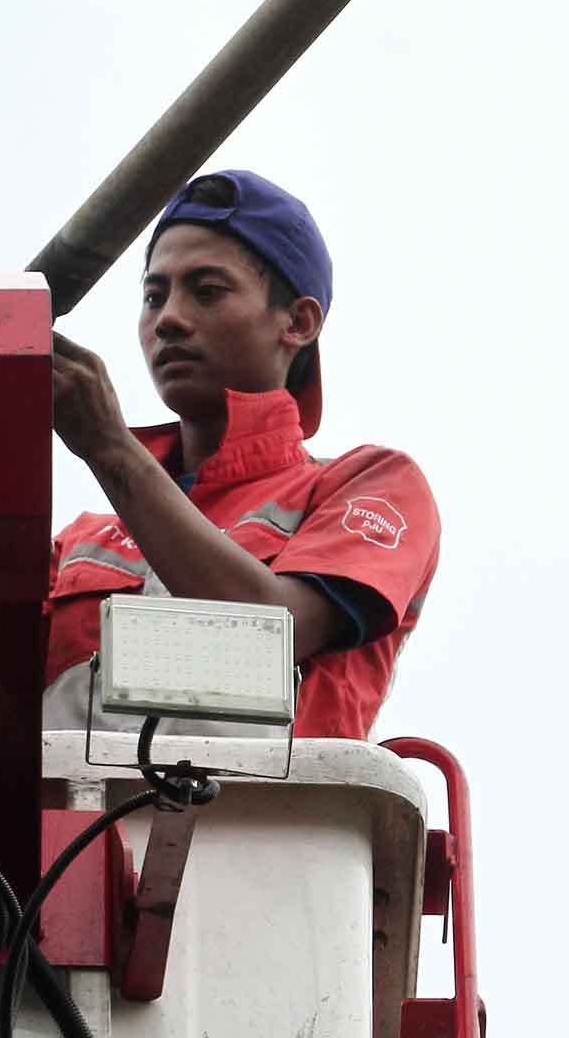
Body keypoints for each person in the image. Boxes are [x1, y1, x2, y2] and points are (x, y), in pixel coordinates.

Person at [45, 170, 440, 740]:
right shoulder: (78, 544)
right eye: (154, 295)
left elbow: (270, 635)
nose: (169, 319)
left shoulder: (372, 483)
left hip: (260, 824)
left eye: (207, 291)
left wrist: (112, 450)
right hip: (64, 826)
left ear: (298, 322)